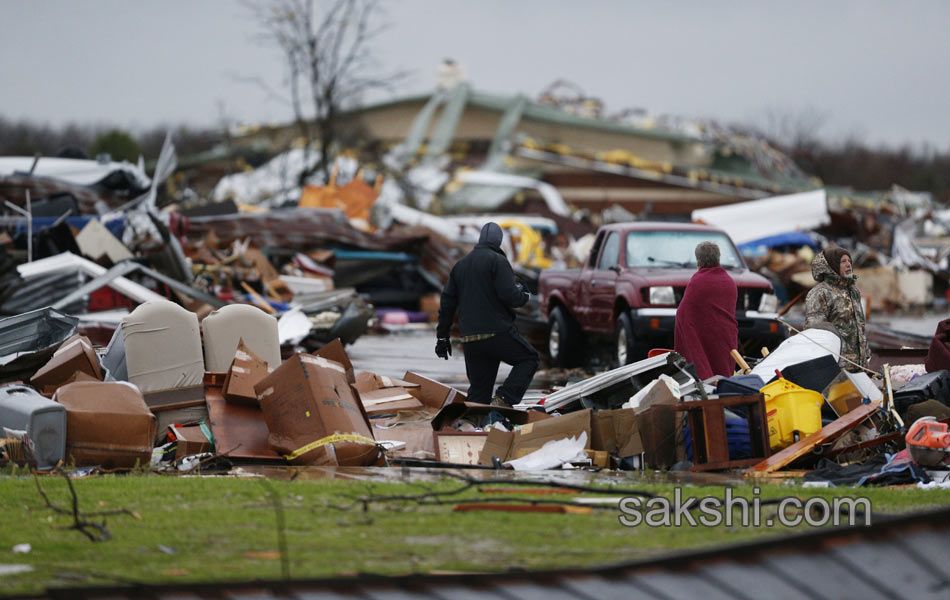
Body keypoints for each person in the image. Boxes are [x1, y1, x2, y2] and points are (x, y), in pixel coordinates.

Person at [436, 222, 539, 406]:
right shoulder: (498, 261)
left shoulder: (460, 266)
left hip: (470, 339)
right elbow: (510, 296)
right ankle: (504, 398)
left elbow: (447, 304)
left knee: (479, 393)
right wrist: (524, 295)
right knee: (528, 359)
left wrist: (442, 338)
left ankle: (473, 427)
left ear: (480, 239)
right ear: (499, 242)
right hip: (497, 333)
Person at [674, 241, 738, 379]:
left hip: (702, 337)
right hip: (725, 337)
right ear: (718, 257)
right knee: (723, 375)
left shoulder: (697, 282)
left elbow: (683, 313)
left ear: (698, 260)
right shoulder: (729, 281)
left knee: (705, 373)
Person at [804, 247, 869, 371]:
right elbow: (815, 333)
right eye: (843, 261)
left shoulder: (853, 291)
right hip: (837, 366)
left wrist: (866, 356)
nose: (848, 264)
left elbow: (860, 328)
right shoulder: (820, 293)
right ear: (832, 266)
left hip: (858, 366)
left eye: (849, 260)